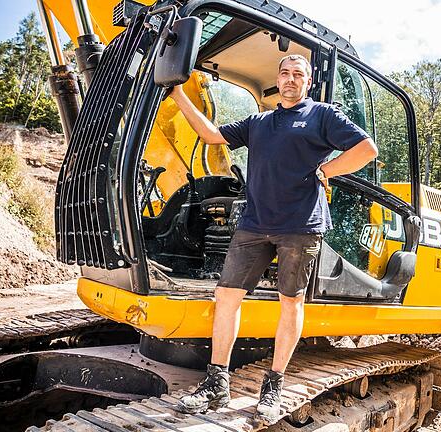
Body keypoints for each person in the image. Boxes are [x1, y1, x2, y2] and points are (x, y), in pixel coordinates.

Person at [170, 54, 378, 425]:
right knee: (226, 296)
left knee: (289, 304)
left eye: (299, 74)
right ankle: (217, 381)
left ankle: (274, 385)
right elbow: (212, 135)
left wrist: (327, 169)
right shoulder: (259, 122)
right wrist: (178, 95)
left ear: (308, 82)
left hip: (300, 227)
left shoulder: (322, 116)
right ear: (278, 80)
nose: (291, 79)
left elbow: (366, 149)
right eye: (285, 73)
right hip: (254, 224)